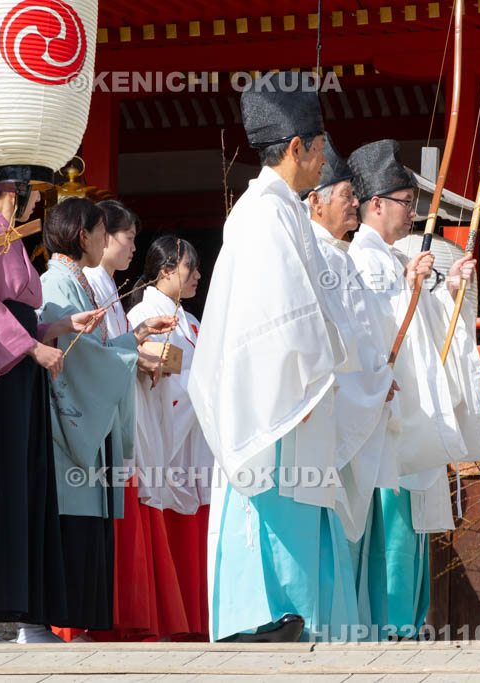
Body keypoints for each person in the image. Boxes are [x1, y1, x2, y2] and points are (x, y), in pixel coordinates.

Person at [190, 88, 367, 643]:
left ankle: (302, 625)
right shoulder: (263, 214)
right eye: (318, 151)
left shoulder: (277, 208)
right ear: (296, 147)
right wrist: (330, 355)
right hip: (272, 404)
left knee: (302, 512)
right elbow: (282, 318)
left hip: (293, 396)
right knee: (275, 513)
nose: (321, 163)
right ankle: (266, 621)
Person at [347, 139, 480, 637]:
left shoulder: (390, 257)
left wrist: (448, 288)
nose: (412, 213)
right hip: (388, 416)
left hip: (405, 415)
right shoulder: (364, 258)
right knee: (391, 522)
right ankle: (389, 625)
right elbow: (375, 330)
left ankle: (407, 623)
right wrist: (412, 288)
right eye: (405, 203)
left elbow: (423, 321)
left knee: (409, 524)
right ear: (375, 205)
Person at [0, 170, 103, 644]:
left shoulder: (12, 239)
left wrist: (54, 330)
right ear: (16, 191)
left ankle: (18, 613)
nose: (40, 200)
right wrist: (33, 348)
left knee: (22, 486)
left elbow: (19, 312)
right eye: (36, 190)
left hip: (20, 375)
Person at [38, 198, 176, 634]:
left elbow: (95, 352)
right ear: (84, 236)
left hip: (87, 430)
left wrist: (131, 339)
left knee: (86, 533)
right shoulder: (56, 283)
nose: (106, 240)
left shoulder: (74, 282)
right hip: (70, 432)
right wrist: (128, 348)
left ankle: (74, 625)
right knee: (68, 528)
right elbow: (80, 360)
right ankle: (49, 624)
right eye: (102, 231)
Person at [303, 138, 400, 640]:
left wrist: (378, 379)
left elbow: (362, 336)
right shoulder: (314, 256)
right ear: (315, 200)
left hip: (359, 397)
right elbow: (330, 341)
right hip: (331, 405)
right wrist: (369, 383)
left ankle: (347, 624)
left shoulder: (339, 256)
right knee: (330, 516)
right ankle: (328, 625)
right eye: (343, 193)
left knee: (348, 522)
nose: (351, 202)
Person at [81, 200, 183, 641]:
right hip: (104, 417)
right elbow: (90, 353)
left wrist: (138, 353)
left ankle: (125, 615)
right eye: (129, 237)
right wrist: (136, 350)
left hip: (128, 412)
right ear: (102, 235)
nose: (133, 246)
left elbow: (112, 349)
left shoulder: (110, 288)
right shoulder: (89, 284)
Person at [127, 235, 212, 639]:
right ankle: (168, 622)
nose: (197, 275)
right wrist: (208, 379)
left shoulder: (190, 321)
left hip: (193, 439)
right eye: (189, 268)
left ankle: (194, 621)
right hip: (167, 432)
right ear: (165, 272)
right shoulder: (143, 314)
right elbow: (157, 369)